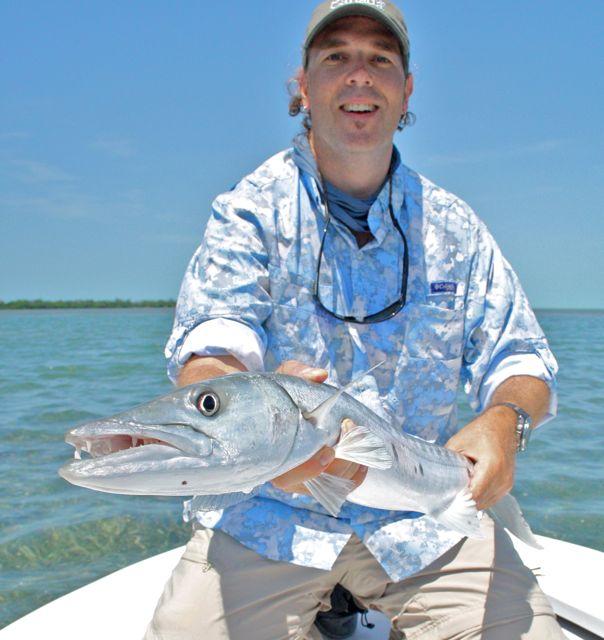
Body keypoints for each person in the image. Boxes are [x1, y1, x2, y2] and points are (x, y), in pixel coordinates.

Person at [145, 1, 564, 638]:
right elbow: (214, 349)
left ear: (406, 90)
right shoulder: (248, 214)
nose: (359, 75)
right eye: (336, 57)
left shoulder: (456, 227)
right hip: (271, 512)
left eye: (380, 60)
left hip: (421, 519)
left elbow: (522, 359)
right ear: (303, 86)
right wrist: (257, 435)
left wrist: (506, 423)